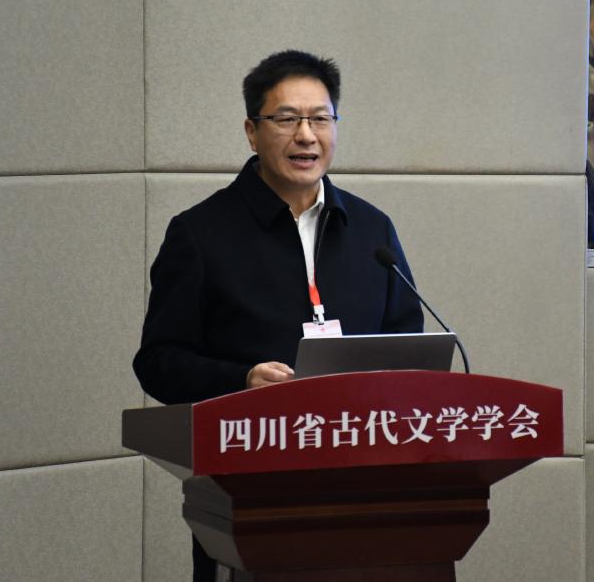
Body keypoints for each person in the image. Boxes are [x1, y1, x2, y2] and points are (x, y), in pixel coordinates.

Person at [132, 50, 424, 580]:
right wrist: (242, 381)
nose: (306, 136)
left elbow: (407, 345)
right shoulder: (200, 234)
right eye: (286, 119)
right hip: (249, 493)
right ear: (252, 132)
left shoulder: (372, 230)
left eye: (320, 119)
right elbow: (157, 361)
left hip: (367, 491)